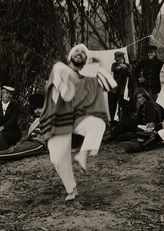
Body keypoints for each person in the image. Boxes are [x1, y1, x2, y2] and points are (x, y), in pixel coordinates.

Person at [38, 44, 116, 201]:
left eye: (83, 53)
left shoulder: (88, 79)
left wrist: (99, 67)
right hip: (59, 120)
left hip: (77, 120)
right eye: (76, 51)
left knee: (98, 124)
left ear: (86, 60)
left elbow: (111, 85)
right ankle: (71, 189)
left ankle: (83, 155)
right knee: (57, 159)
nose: (79, 53)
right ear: (70, 56)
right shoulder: (59, 70)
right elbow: (58, 92)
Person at [0, 93, 47, 165]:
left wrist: (44, 138)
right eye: (35, 109)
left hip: (40, 144)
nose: (37, 111)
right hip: (30, 141)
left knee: (18, 151)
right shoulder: (37, 120)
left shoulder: (50, 117)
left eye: (39, 108)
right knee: (16, 149)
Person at [108, 50, 134, 123]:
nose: (118, 61)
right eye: (117, 60)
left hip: (123, 90)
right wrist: (122, 66)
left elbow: (129, 72)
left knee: (123, 106)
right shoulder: (114, 65)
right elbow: (114, 69)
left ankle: (122, 121)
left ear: (123, 58)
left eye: (120, 59)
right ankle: (112, 121)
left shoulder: (128, 66)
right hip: (113, 90)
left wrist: (124, 67)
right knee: (112, 107)